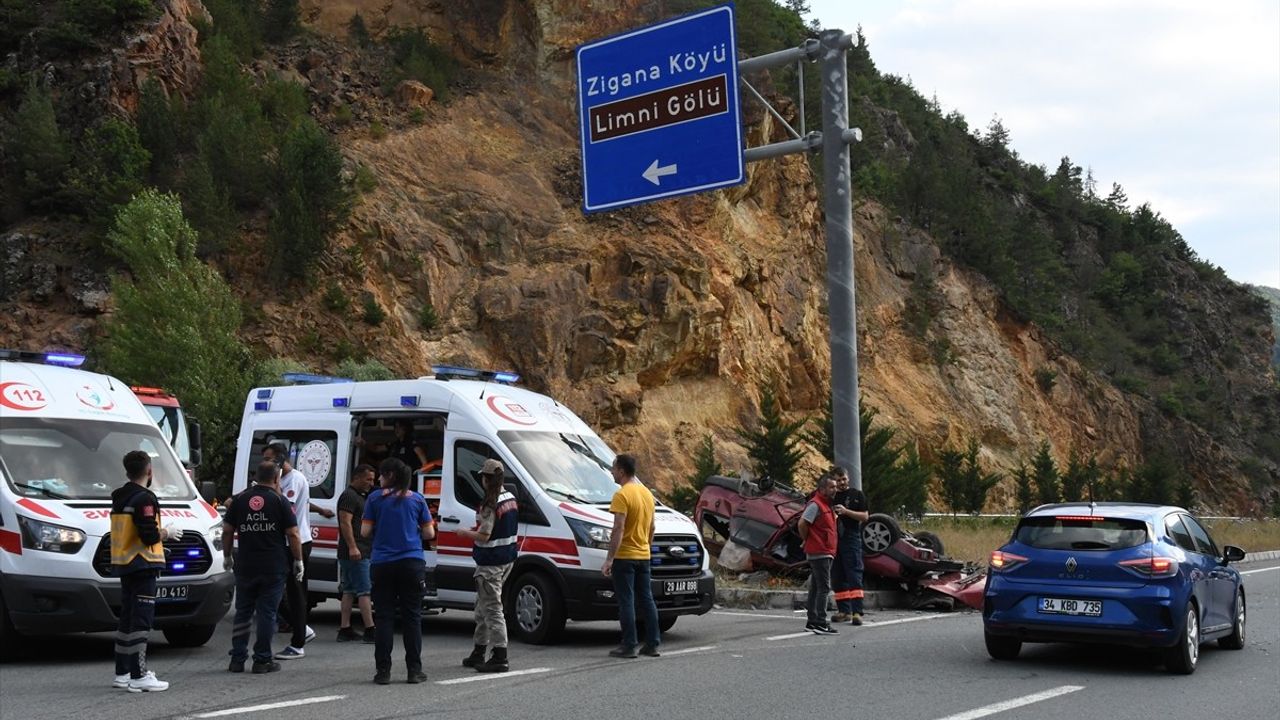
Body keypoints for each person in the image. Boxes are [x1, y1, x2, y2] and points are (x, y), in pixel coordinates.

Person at [110, 450, 183, 693]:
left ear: (127, 471)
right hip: (143, 564)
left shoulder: (120, 497)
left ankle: (123, 672)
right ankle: (139, 675)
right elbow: (149, 535)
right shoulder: (144, 499)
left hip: (125, 563)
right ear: (149, 471)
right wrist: (167, 533)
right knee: (141, 620)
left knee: (127, 618)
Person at [223, 461, 304, 674]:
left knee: (243, 612)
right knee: (267, 613)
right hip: (272, 566)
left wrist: (227, 555)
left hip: (246, 565)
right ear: (277, 478)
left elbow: (227, 530)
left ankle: (237, 659)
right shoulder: (280, 501)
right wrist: (298, 560)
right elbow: (293, 533)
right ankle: (262, 659)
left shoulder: (240, 500)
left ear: (256, 477)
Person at [362, 458, 435, 685]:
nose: (378, 479)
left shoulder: (375, 499)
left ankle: (383, 672)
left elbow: (364, 531)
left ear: (390, 475)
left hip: (382, 563)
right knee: (412, 617)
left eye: (381, 475)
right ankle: (414, 670)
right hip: (411, 562)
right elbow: (429, 534)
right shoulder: (417, 499)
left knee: (384, 617)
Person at [262, 442, 333, 659]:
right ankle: (302, 627)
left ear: (280, 460)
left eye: (268, 459)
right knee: (270, 589)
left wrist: (271, 485)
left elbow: (284, 507)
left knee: (295, 592)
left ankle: (298, 643)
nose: (264, 463)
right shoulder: (282, 479)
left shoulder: (293, 479)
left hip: (295, 542)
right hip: (283, 542)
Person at [457, 459, 518, 673]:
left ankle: (500, 656)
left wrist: (465, 533)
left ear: (486, 479)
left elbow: (484, 535)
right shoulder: (510, 497)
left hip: (490, 563)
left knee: (492, 609)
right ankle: (479, 650)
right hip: (506, 559)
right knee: (482, 607)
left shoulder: (489, 504)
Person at [602, 453, 660, 659]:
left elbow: (618, 528)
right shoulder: (647, 494)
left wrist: (610, 559)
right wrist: (646, 548)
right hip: (644, 555)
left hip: (625, 555)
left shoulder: (622, 495)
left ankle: (629, 645)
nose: (611, 472)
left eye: (613, 468)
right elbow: (652, 527)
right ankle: (652, 644)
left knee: (626, 601)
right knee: (647, 599)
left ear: (621, 471)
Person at [337, 464, 377, 643]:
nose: (371, 483)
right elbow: (345, 522)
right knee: (364, 591)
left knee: (349, 589)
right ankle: (370, 629)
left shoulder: (360, 496)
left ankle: (345, 628)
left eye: (373, 479)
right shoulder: (349, 496)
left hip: (357, 550)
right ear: (357, 477)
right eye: (368, 479)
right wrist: (353, 547)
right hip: (356, 551)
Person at [798, 474, 840, 635]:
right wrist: (806, 539)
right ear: (822, 489)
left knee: (816, 588)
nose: (835, 489)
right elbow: (802, 523)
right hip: (820, 552)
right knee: (824, 588)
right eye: (831, 487)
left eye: (835, 487)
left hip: (825, 551)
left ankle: (812, 621)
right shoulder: (816, 505)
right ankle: (821, 622)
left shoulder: (826, 505)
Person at [830, 466, 869, 625]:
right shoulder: (831, 496)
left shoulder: (856, 495)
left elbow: (865, 517)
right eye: (838, 480)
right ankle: (844, 611)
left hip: (851, 537)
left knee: (854, 574)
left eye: (844, 479)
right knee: (837, 576)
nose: (841, 482)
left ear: (848, 478)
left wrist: (846, 512)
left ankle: (857, 612)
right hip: (834, 538)